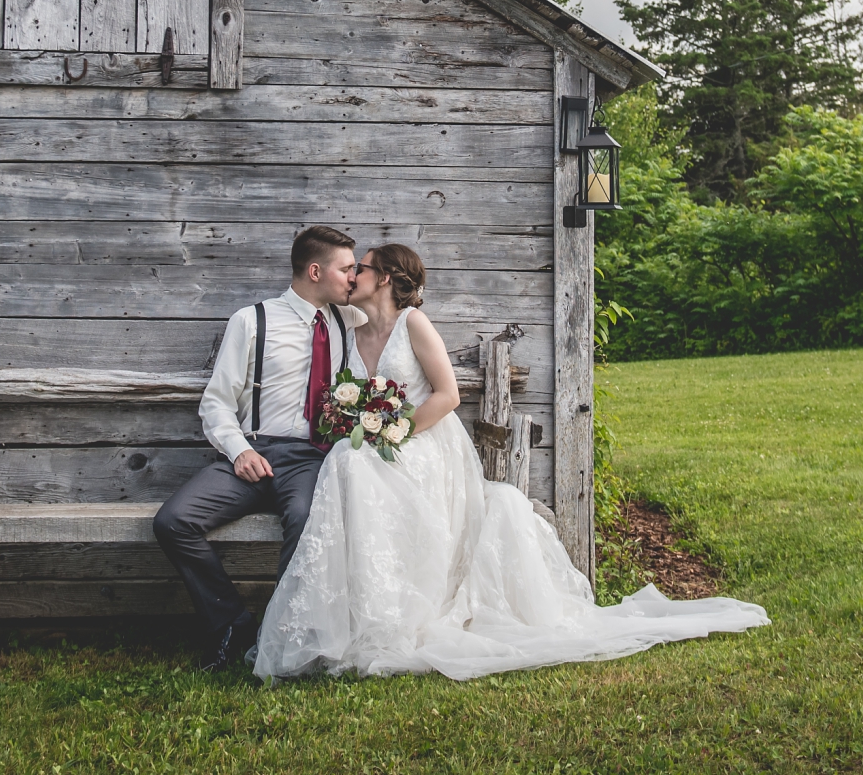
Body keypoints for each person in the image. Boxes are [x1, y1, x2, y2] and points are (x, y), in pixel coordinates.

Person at [253, 243, 769, 681]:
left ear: (385, 277)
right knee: (349, 460)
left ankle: (393, 615)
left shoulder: (414, 323)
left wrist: (395, 427)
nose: (354, 276)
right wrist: (360, 422)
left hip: (426, 441)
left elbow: (448, 396)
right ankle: (362, 614)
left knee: (352, 462)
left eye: (361, 268)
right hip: (379, 440)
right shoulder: (351, 328)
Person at [153, 225, 366, 670]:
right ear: (314, 270)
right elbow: (215, 404)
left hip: (311, 458)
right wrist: (239, 452)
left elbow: (386, 307)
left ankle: (284, 636)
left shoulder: (348, 322)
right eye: (346, 268)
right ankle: (232, 624)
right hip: (252, 452)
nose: (354, 277)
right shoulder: (251, 321)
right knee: (173, 521)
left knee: (307, 518)